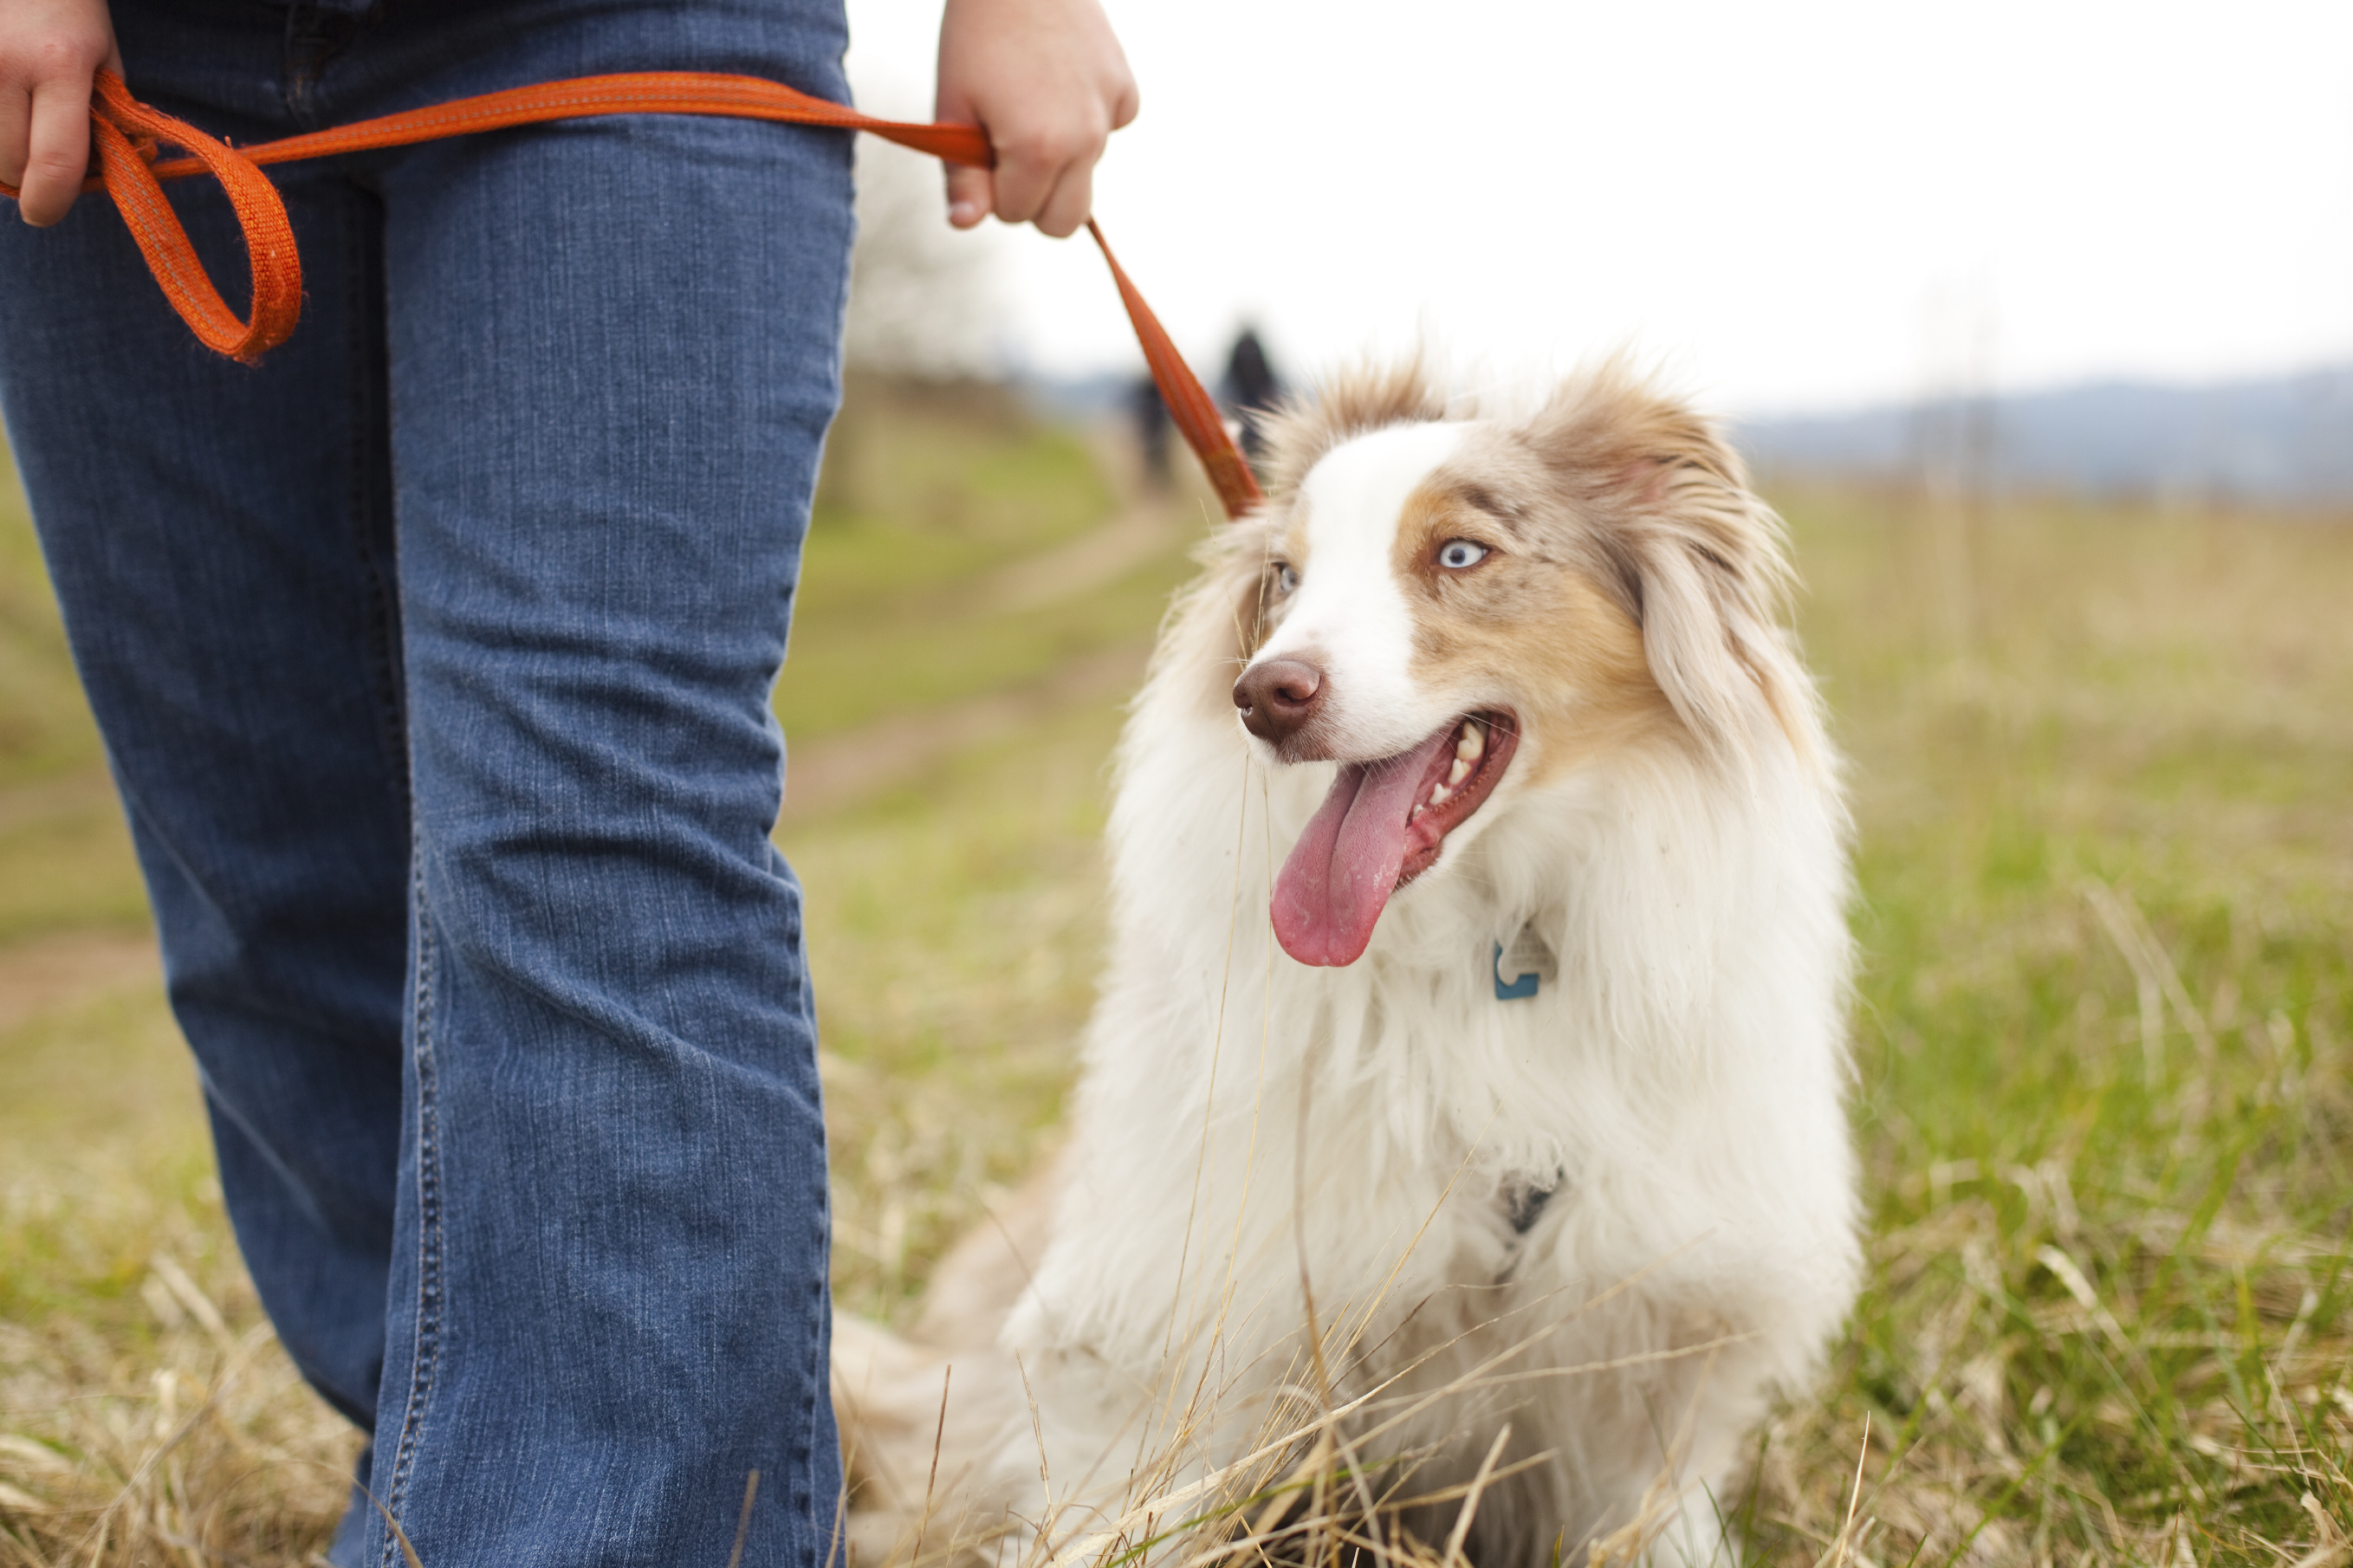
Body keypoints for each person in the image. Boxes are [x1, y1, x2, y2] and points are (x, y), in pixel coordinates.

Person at [0, 0, 1134, 1564]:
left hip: (623, 30)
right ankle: (447, 1461)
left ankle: (612, 1524)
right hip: (138, 65)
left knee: (592, 830)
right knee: (261, 860)